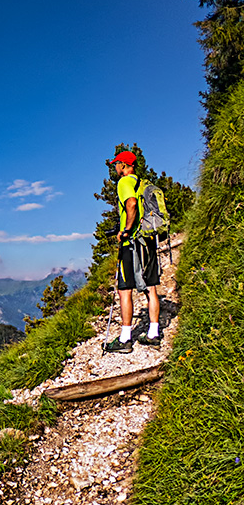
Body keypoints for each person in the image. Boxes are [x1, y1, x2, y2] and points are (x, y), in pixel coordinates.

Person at [103, 150, 162, 353]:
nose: (115, 168)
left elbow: (131, 203)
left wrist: (126, 230)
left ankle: (125, 339)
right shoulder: (142, 183)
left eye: (116, 164)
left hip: (132, 244)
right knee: (151, 287)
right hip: (149, 241)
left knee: (124, 289)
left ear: (123, 165)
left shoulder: (124, 183)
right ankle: (153, 333)